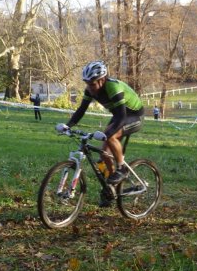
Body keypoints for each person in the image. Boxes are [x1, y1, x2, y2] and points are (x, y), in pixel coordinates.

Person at [61, 61, 144, 203]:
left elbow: (122, 116)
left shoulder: (113, 87)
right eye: (87, 83)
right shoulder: (90, 89)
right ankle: (111, 189)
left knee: (110, 137)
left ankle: (122, 168)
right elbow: (81, 110)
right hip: (119, 116)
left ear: (102, 80)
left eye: (92, 84)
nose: (90, 87)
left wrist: (107, 134)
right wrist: (68, 126)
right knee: (104, 155)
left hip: (134, 116)